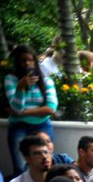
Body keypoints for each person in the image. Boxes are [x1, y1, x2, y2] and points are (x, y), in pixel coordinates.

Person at [4, 45, 58, 175]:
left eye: (30, 60)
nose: (27, 63)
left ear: (35, 61)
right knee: (20, 167)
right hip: (18, 127)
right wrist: (20, 88)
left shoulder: (46, 80)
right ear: (18, 62)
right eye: (23, 60)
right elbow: (16, 107)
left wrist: (22, 113)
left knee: (45, 165)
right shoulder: (11, 79)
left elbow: (51, 108)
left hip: (42, 125)